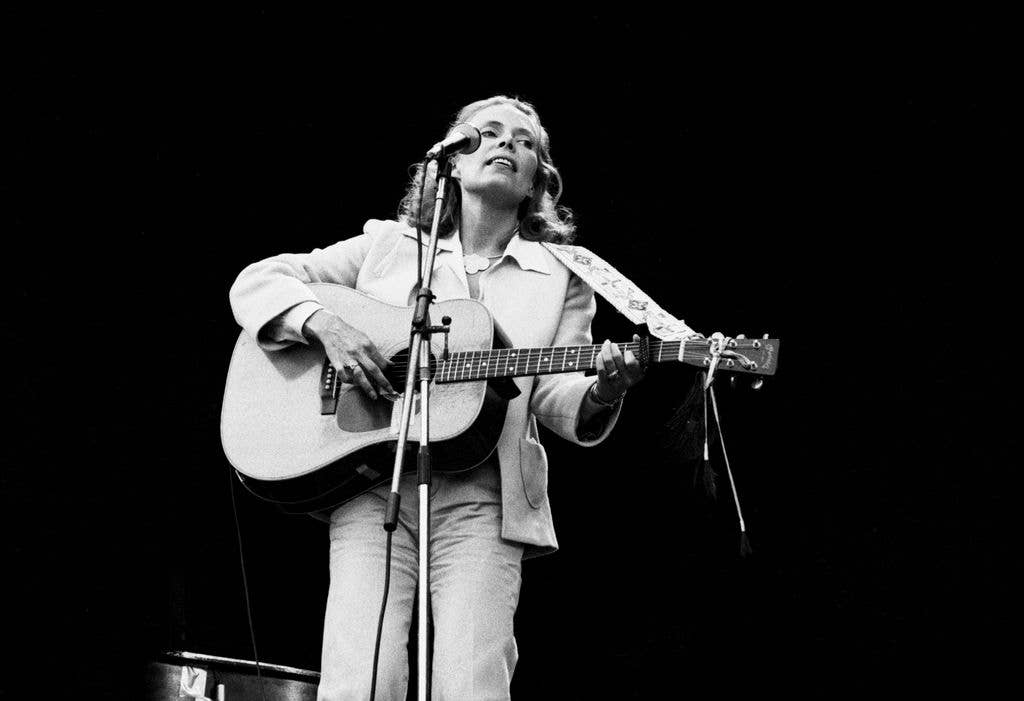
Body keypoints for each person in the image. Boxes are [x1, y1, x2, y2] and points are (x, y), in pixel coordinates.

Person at [229, 96, 647, 700]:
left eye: (525, 142)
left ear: (536, 181)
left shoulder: (563, 276)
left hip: (487, 496)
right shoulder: (387, 246)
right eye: (488, 133)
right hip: (375, 481)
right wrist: (326, 326)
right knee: (358, 680)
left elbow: (554, 395)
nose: (506, 145)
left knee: (472, 683)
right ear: (451, 160)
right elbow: (258, 279)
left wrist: (605, 390)